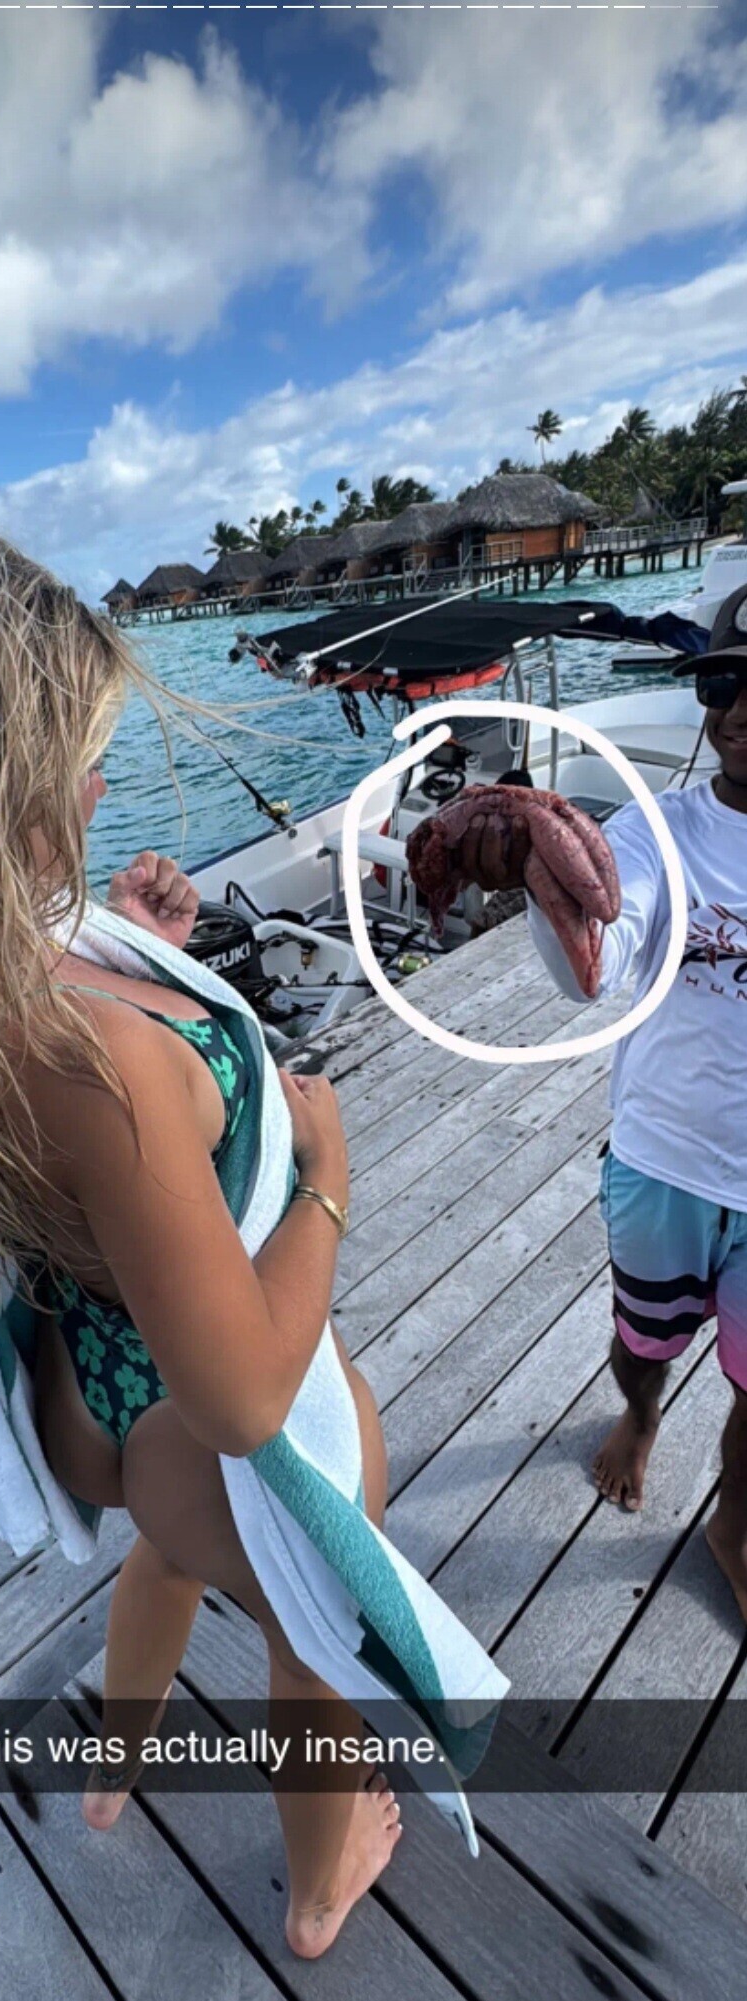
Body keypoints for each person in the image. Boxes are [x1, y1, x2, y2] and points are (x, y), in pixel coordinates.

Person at [0, 526, 401, 1960]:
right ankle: (321, 1887)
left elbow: (70, 1137)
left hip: (99, 1384)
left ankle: (118, 1760)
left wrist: (126, 935)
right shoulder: (91, 1064)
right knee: (320, 1626)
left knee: (171, 1552)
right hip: (194, 1406)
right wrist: (324, 1179)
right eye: (80, 763)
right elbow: (244, 1402)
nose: (99, 787)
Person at [457, 582, 747, 1621]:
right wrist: (543, 883)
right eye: (724, 683)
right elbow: (599, 965)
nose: (741, 709)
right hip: (665, 1158)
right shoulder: (658, 832)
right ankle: (641, 1415)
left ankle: (735, 1521)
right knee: (643, 1340)